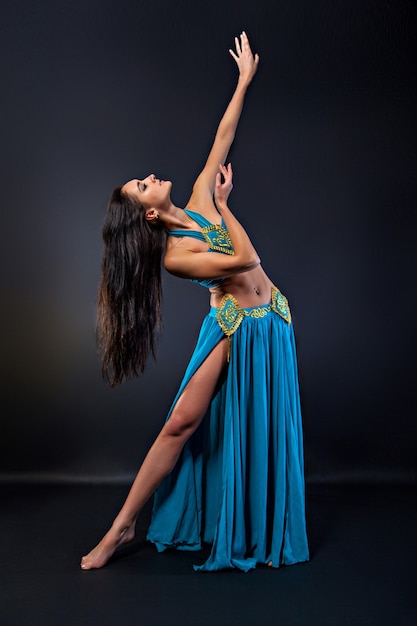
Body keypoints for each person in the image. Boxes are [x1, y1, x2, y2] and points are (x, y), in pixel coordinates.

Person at [81, 32, 309, 573]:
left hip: (271, 322)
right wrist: (226, 210)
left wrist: (243, 80)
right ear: (150, 216)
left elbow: (223, 135)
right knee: (180, 424)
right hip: (233, 326)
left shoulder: (203, 192)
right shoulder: (177, 257)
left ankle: (253, 519)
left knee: (250, 429)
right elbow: (245, 258)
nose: (151, 177)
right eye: (143, 186)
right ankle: (121, 526)